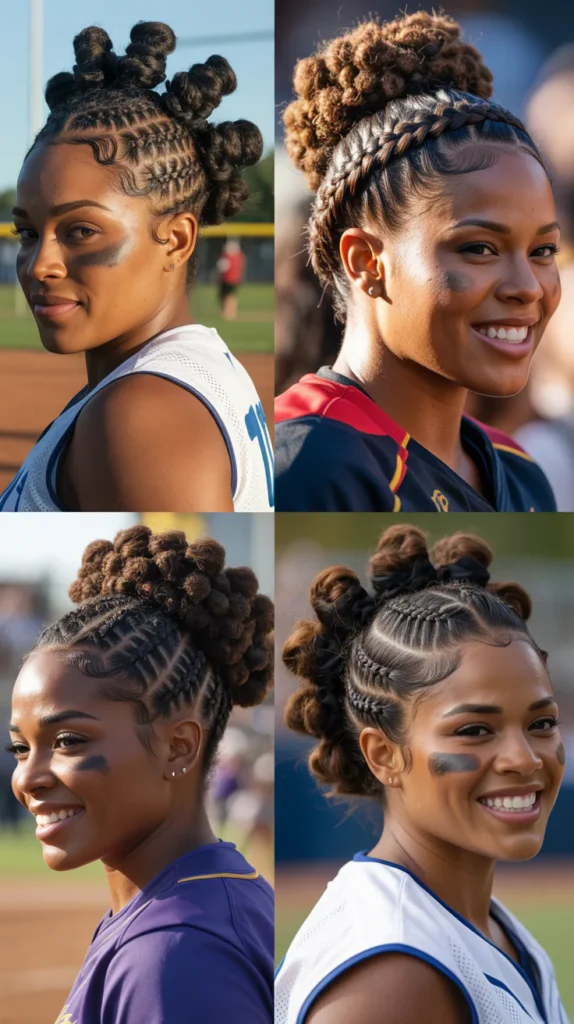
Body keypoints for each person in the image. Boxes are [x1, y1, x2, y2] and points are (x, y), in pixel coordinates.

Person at [276, 524, 568, 1024]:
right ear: (385, 754)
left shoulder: (490, 930)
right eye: (475, 730)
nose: (524, 758)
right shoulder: (392, 973)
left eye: (541, 723)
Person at [275, 12, 561, 512]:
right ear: (366, 261)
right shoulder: (303, 463)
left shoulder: (521, 470)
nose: (528, 287)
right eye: (479, 248)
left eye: (543, 251)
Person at [1, 21, 274, 513]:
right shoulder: (188, 369)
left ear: (178, 238)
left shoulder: (141, 416)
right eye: (28, 233)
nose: (40, 264)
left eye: (81, 231)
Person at [7, 525, 274, 1023]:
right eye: (20, 748)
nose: (27, 778)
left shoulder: (175, 958)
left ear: (179, 746)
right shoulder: (193, 899)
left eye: (68, 741)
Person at [217, 239, 245, 319]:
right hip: (229, 278)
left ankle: (229, 311)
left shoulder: (232, 257)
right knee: (229, 295)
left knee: (229, 295)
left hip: (230, 279)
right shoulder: (238, 256)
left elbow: (223, 267)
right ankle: (229, 311)